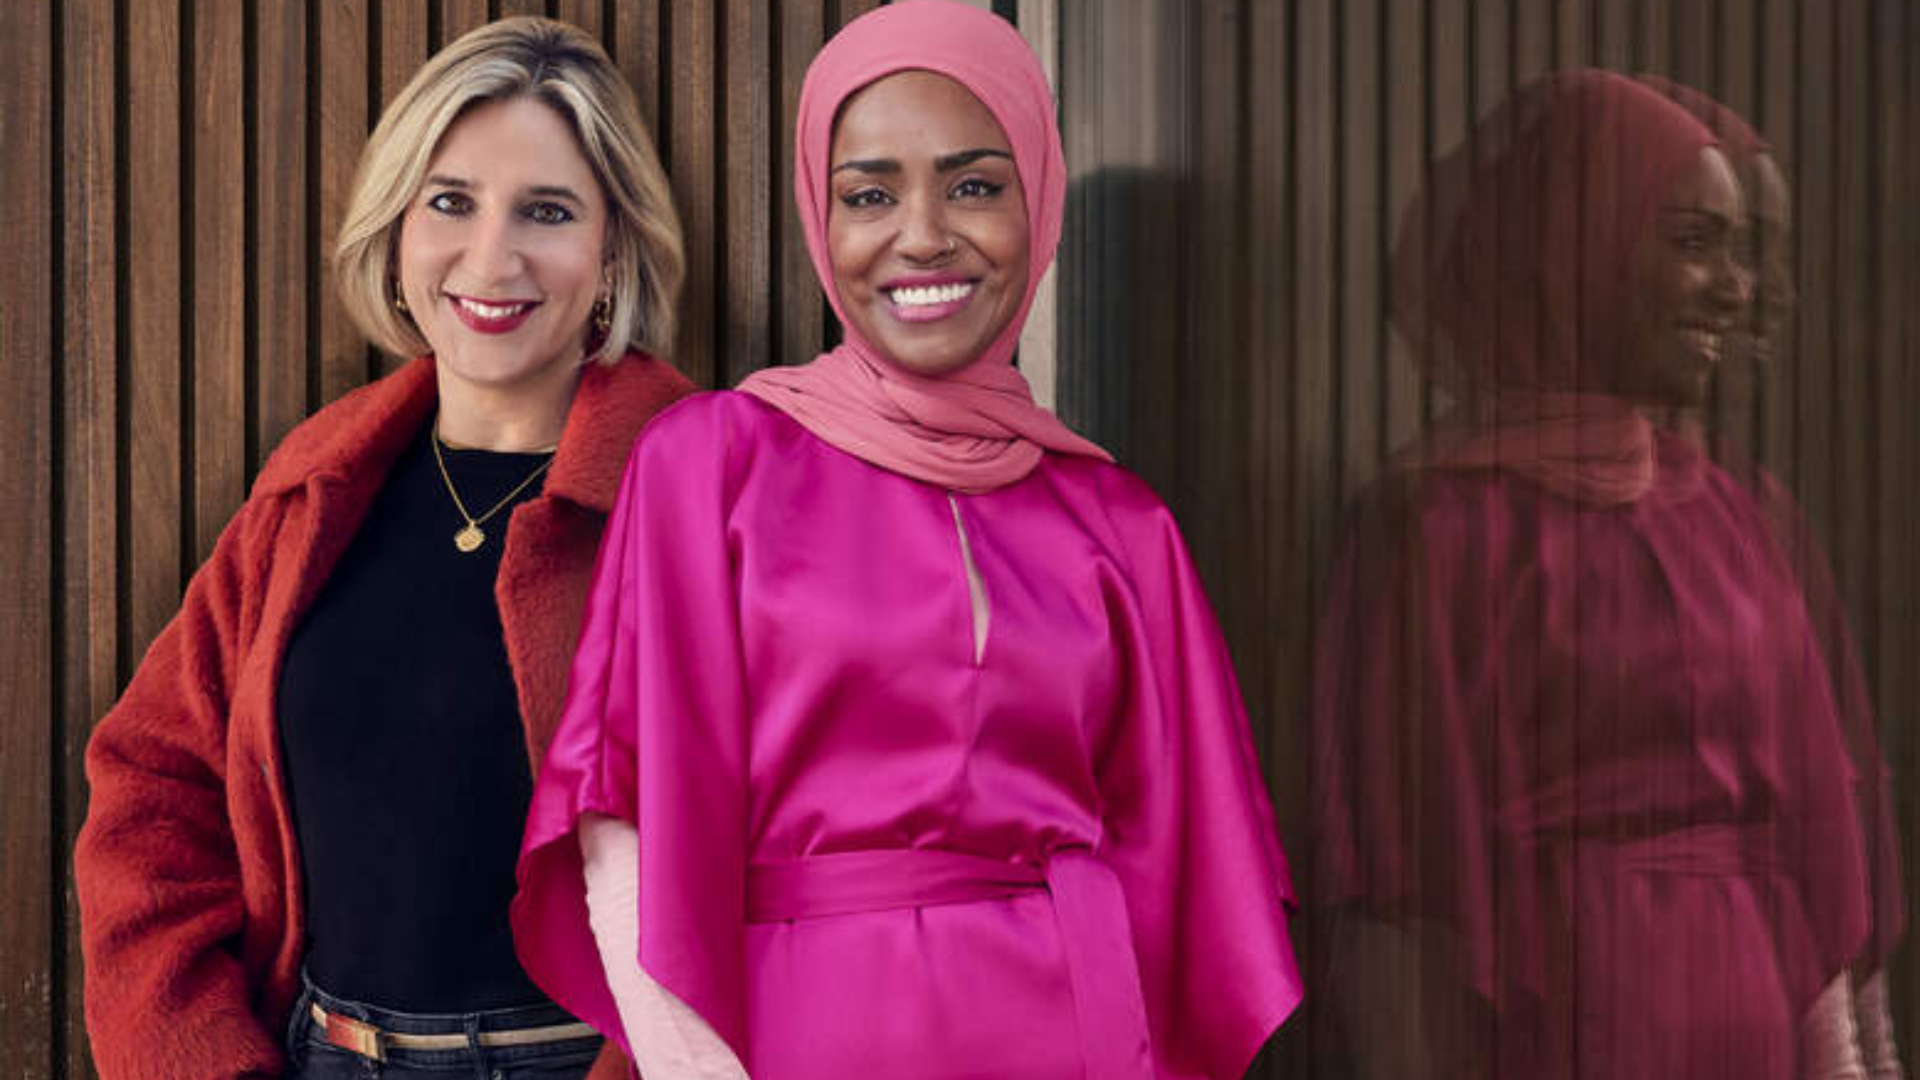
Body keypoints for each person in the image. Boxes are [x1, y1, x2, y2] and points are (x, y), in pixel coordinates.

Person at [509, 4, 1303, 1079]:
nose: (923, 233)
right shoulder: (713, 460)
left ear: (1040, 202)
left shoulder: (1120, 521)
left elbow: (1190, 889)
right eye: (871, 194)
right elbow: (623, 820)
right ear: (819, 218)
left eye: (974, 185)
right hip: (799, 1042)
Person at [74, 17, 691, 1080]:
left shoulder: (700, 498)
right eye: (450, 201)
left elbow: (773, 859)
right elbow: (151, 788)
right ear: (399, 232)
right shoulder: (312, 495)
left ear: (612, 255)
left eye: (546, 212)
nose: (489, 256)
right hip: (317, 1055)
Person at [1309, 70, 1902, 1080]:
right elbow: (1394, 901)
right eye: (1691, 244)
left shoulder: (1738, 513)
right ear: (1572, 249)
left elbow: (1816, 845)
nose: (1735, 289)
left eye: (1739, 250)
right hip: (1561, 1033)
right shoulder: (1439, 529)